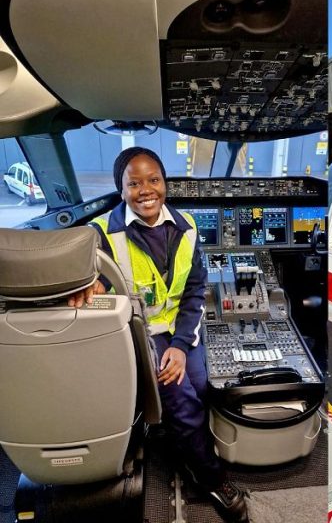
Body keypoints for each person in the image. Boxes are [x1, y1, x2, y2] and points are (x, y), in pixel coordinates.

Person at [68, 146, 249, 522]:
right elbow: (81, 277)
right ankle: (210, 477)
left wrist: (182, 345)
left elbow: (195, 290)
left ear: (165, 183)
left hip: (176, 330)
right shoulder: (100, 233)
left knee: (201, 383)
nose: (145, 190)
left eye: (154, 180)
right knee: (181, 394)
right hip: (133, 331)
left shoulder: (187, 228)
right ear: (121, 190)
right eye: (134, 183)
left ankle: (172, 433)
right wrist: (89, 285)